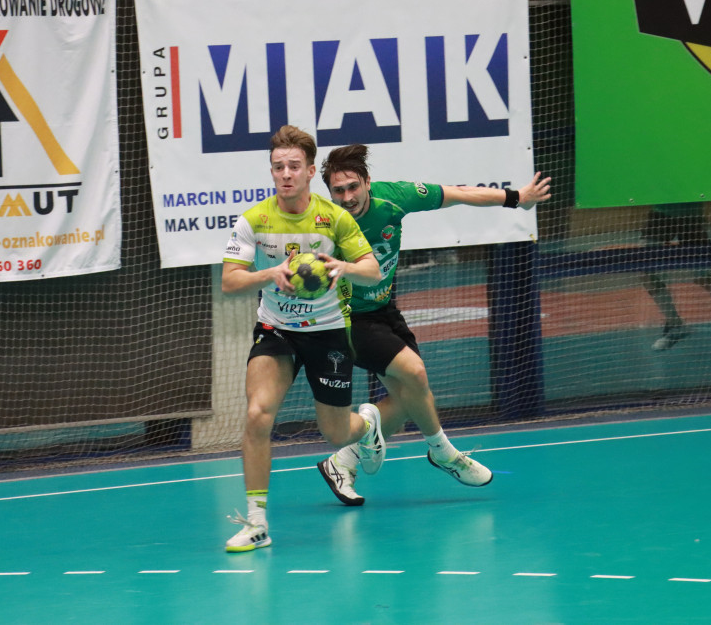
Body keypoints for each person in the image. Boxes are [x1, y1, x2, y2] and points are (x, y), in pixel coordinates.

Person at [316, 144, 551, 506]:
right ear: (329, 193)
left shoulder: (394, 199)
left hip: (384, 309)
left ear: (367, 182)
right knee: (416, 373)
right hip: (345, 318)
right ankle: (443, 452)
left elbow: (458, 193)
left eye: (353, 187)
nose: (347, 197)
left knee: (411, 398)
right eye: (338, 190)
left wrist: (516, 197)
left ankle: (342, 462)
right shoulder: (325, 223)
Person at [221, 126, 383, 552]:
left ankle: (367, 427)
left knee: (335, 434)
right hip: (277, 331)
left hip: (328, 332)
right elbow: (230, 281)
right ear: (271, 171)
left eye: (294, 166)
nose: (286, 174)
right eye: (278, 167)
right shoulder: (254, 220)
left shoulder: (335, 218)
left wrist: (343, 268)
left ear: (311, 171)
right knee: (258, 414)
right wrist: (268, 274)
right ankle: (256, 523)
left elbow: (373, 269)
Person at [640, 203, 711, 351]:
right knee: (646, 272)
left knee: (700, 275)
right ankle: (676, 325)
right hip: (660, 213)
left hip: (690, 216)